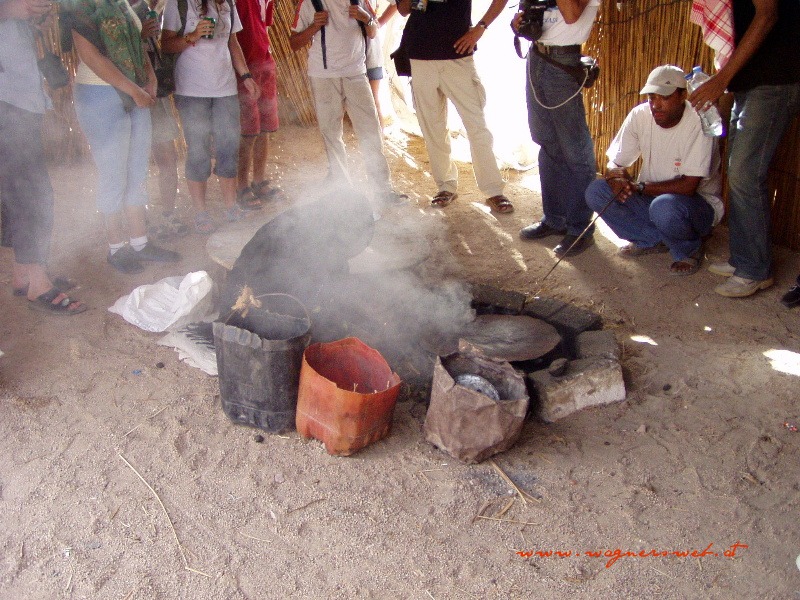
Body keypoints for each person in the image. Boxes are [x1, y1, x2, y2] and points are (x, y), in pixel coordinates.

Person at [689, 0, 800, 298]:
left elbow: (767, 15)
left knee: (745, 172)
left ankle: (755, 270)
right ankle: (744, 258)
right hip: (753, 80)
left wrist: (721, 80)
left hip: (776, 79)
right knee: (738, 169)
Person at [64, 0, 182, 274]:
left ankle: (140, 242)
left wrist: (150, 79)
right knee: (113, 174)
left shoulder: (122, 3)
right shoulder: (81, 6)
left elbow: (136, 44)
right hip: (101, 96)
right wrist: (134, 88)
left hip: (136, 91)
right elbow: (91, 57)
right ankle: (116, 248)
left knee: (137, 172)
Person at [585, 65, 724, 276]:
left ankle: (689, 248)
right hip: (652, 199)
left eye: (664, 98)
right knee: (597, 191)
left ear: (682, 95)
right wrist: (615, 176)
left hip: (695, 206)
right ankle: (653, 239)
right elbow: (615, 162)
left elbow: (688, 187)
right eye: (651, 97)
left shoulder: (698, 122)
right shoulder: (640, 115)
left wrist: (639, 187)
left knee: (664, 208)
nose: (655, 105)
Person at [0, 0, 85, 313]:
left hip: (20, 100)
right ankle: (37, 282)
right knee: (32, 195)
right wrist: (12, 7)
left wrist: (31, 19)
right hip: (6, 102)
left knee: (18, 193)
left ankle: (24, 274)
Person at [396, 0, 513, 214]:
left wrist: (480, 28)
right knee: (433, 127)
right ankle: (446, 186)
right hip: (420, 55)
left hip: (458, 56)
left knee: (477, 125)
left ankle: (493, 190)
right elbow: (403, 9)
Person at [290, 0, 405, 212]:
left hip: (356, 73)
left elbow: (372, 32)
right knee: (331, 134)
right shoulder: (308, 3)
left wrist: (366, 18)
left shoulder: (360, 0)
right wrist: (314, 27)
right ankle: (342, 192)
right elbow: (294, 43)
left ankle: (382, 189)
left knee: (370, 131)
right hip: (323, 76)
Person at [161, 0, 260, 234]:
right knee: (198, 151)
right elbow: (165, 44)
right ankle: (200, 213)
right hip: (192, 89)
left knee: (228, 147)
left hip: (225, 88)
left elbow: (232, 42)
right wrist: (192, 35)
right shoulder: (178, 4)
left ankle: (231, 206)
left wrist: (245, 75)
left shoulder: (227, 3)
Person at [515, 0, 600, 256]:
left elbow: (572, 15)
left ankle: (580, 227)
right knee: (547, 142)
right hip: (537, 56)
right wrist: (520, 23)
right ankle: (555, 219)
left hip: (564, 60)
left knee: (575, 150)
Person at [133, 0, 189, 240]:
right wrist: (138, 34)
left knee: (167, 156)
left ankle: (168, 215)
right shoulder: (109, 7)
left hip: (155, 90)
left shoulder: (145, 6)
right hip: (127, 92)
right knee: (135, 161)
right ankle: (139, 220)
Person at [235, 0, 280, 208]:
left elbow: (265, 27)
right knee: (248, 130)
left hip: (264, 64)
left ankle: (259, 179)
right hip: (243, 67)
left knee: (265, 127)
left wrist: (266, 60)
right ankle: (241, 186)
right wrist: (243, 71)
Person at [366, 0, 397, 129]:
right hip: (346, 54)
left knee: (372, 99)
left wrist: (380, 23)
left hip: (370, 49)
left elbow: (396, 3)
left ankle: (380, 142)